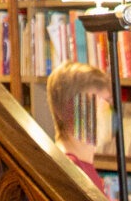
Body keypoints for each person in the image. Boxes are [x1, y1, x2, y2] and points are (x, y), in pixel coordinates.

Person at [47, 61, 111, 196]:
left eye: (105, 100)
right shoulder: (68, 171)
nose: (105, 109)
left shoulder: (83, 166)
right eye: (93, 101)